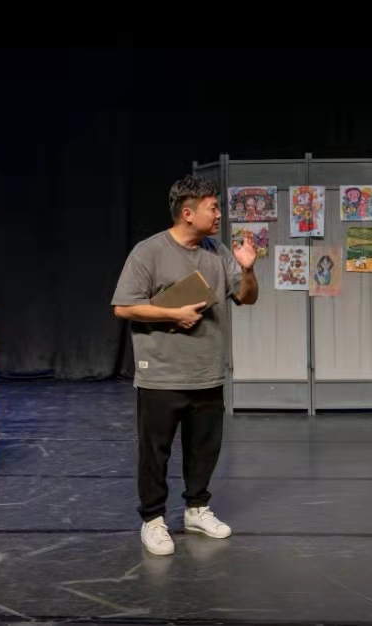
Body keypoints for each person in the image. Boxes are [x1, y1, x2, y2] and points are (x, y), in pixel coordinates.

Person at [111, 175, 258, 556]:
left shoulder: (217, 250)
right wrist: (172, 313)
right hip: (161, 373)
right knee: (155, 451)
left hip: (207, 370)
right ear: (188, 213)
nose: (219, 214)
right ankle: (153, 519)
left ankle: (196, 509)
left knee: (204, 448)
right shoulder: (149, 252)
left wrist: (247, 269)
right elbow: (123, 307)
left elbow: (246, 298)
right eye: (213, 208)